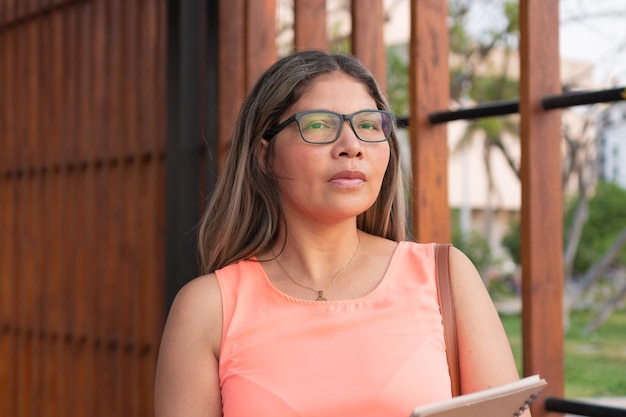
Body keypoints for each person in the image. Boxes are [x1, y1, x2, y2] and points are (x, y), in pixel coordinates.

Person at [154, 50, 525, 417]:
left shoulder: (445, 275)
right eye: (318, 125)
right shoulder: (207, 308)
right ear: (264, 155)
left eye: (367, 125)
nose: (352, 147)